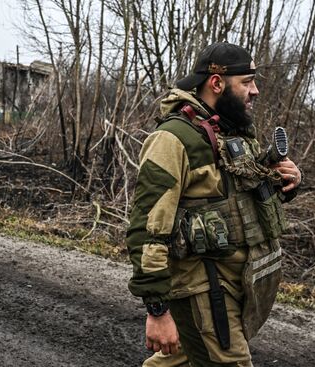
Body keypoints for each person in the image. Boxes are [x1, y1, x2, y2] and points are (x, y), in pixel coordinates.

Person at [126, 42, 302, 367]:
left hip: (236, 282)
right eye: (247, 82)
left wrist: (285, 181)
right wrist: (157, 310)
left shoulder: (231, 131)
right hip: (203, 287)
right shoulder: (173, 139)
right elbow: (148, 227)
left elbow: (239, 201)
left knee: (176, 361)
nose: (256, 91)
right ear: (217, 83)